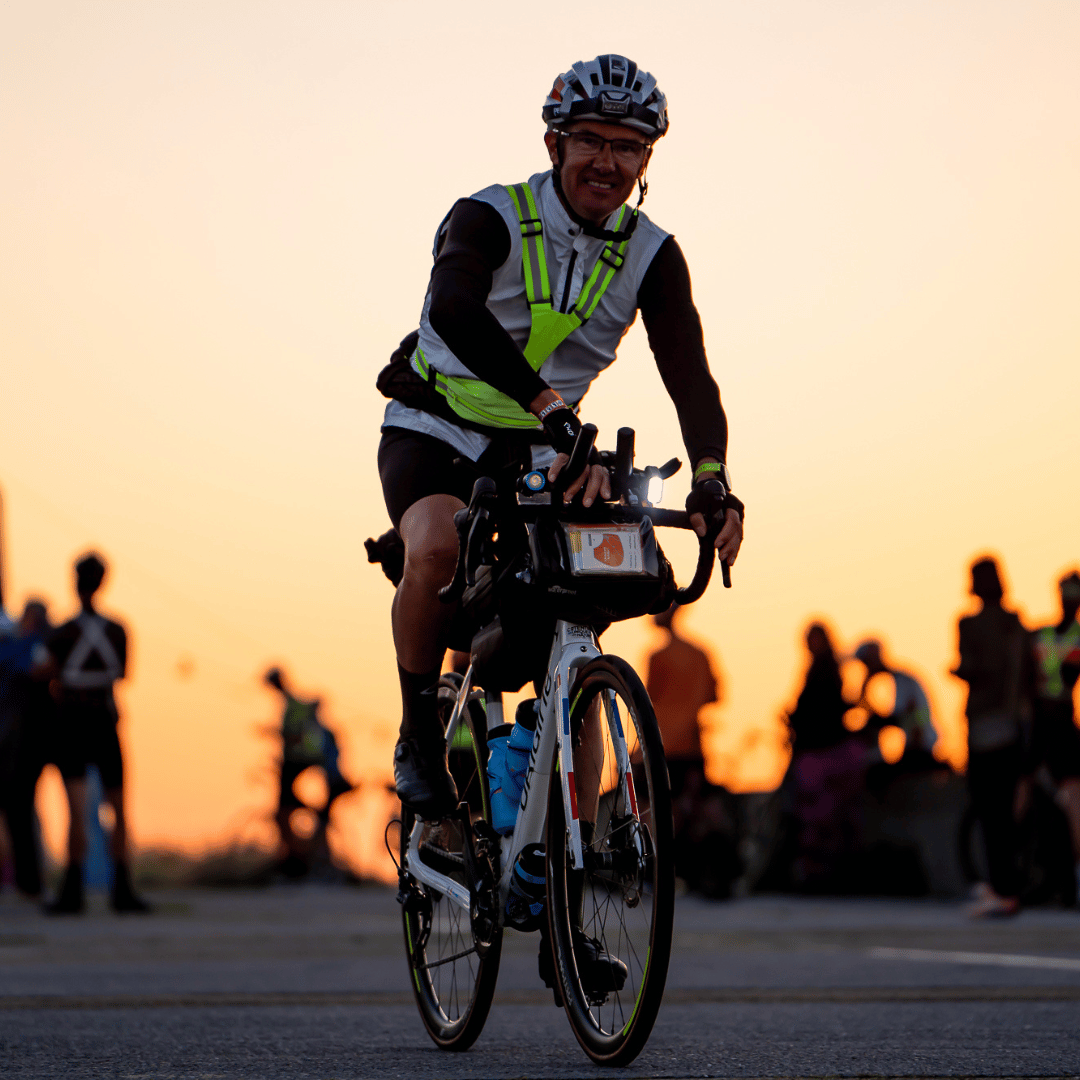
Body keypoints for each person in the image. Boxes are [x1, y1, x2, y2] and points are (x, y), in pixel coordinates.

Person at [376, 56, 744, 990]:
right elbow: (454, 307)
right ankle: (423, 734)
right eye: (593, 142)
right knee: (435, 544)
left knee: (577, 626)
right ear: (555, 144)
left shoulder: (653, 251)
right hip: (440, 422)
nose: (610, 163)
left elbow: (689, 371)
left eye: (630, 148)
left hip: (547, 442)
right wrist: (545, 407)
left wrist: (713, 482)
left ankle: (559, 891)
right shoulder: (491, 213)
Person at [41, 553, 149, 914]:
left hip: (72, 722)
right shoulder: (117, 630)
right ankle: (123, 887)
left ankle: (73, 889)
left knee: (75, 808)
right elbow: (123, 674)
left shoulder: (62, 632)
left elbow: (45, 671)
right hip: (104, 720)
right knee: (119, 808)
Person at [951, 557, 1029, 917]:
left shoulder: (970, 624)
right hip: (1011, 727)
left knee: (990, 812)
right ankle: (1008, 887)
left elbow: (974, 667)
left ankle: (1002, 888)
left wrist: (965, 671)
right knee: (1004, 815)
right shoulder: (1015, 625)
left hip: (986, 727)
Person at [785, 622, 865, 890]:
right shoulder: (823, 670)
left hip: (822, 757)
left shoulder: (825, 671)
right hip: (821, 753)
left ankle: (821, 875)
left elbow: (820, 710)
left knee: (818, 820)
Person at [264, 666, 353, 876]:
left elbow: (298, 735)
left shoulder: (295, 707)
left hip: (299, 763)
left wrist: (282, 736)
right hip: (302, 765)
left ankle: (304, 857)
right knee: (289, 812)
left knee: (288, 812)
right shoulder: (294, 706)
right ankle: (297, 855)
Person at [1026, 571, 1080, 899]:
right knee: (1030, 790)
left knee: (1071, 800)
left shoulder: (1064, 636)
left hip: (1058, 726)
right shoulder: (1043, 634)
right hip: (1042, 726)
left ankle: (1070, 873)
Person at [0, 600, 56, 897]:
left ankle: (27, 881)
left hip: (20, 745)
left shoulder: (23, 646)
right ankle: (25, 881)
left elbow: (35, 671)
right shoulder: (19, 647)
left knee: (20, 812)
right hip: (17, 743)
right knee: (20, 813)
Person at [852, 639, 940, 774]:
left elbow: (914, 719)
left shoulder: (903, 681)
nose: (865, 668)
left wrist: (877, 720)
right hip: (915, 750)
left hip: (919, 752)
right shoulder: (896, 679)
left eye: (866, 663)